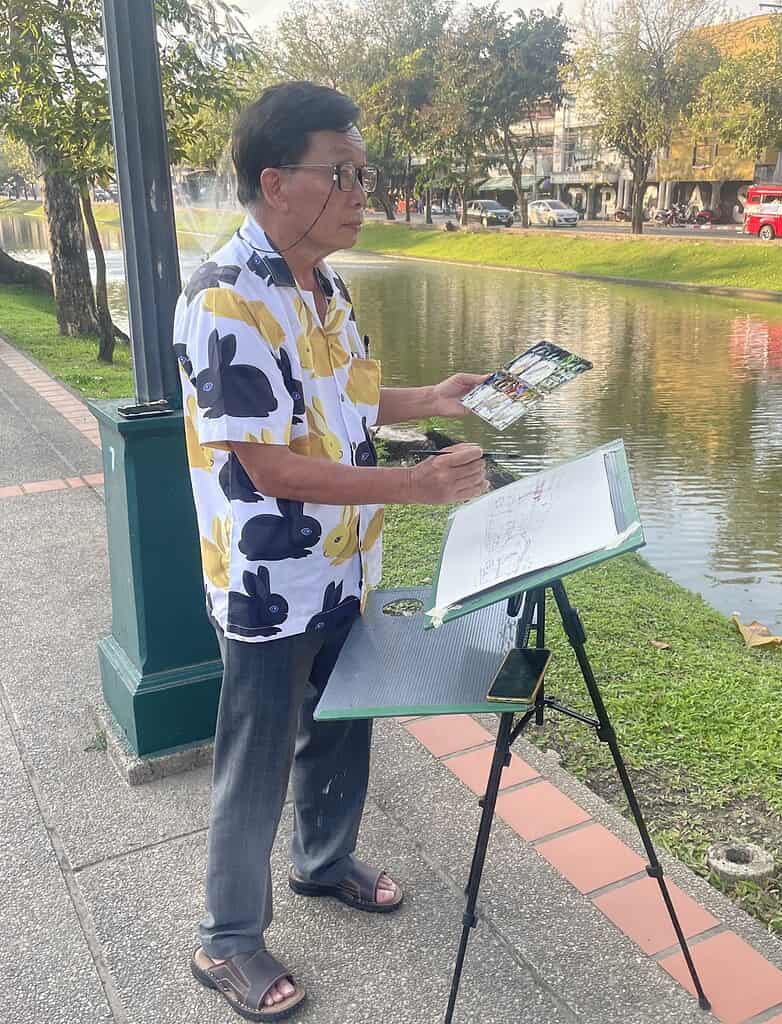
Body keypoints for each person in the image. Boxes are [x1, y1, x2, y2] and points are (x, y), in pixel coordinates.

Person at [173, 80, 489, 1021]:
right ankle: (226, 938)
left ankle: (321, 861)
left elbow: (344, 400)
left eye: (364, 172)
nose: (362, 191)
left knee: (343, 722)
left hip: (347, 567)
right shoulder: (227, 300)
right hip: (272, 583)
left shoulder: (325, 284)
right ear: (276, 182)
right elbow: (269, 465)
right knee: (256, 755)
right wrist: (414, 484)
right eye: (342, 172)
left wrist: (430, 399)